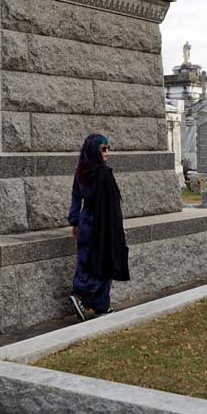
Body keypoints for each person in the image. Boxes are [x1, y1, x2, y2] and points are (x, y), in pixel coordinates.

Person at [68, 133, 129, 321]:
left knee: (86, 260)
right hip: (102, 223)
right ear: (95, 150)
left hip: (86, 220)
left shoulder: (81, 172)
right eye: (104, 149)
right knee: (103, 261)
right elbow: (112, 206)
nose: (108, 152)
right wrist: (117, 229)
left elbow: (76, 198)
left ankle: (98, 303)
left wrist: (75, 221)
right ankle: (83, 296)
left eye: (109, 148)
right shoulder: (103, 173)